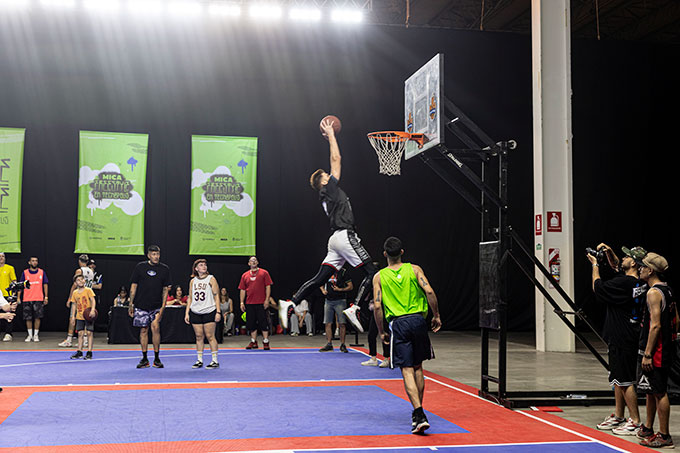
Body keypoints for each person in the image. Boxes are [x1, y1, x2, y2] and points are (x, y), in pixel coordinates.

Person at [289, 118, 376, 334]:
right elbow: (336, 159)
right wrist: (332, 136)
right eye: (327, 175)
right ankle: (355, 307)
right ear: (324, 181)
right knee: (372, 273)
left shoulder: (327, 195)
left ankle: (292, 302)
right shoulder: (329, 189)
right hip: (345, 236)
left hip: (335, 240)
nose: (330, 175)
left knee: (320, 278)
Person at [373, 236, 441, 434]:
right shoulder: (414, 269)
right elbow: (429, 291)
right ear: (402, 252)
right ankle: (417, 412)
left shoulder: (379, 276)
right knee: (418, 366)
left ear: (385, 254)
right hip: (418, 321)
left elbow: (377, 305)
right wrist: (436, 315)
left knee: (407, 369)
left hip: (399, 323)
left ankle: (419, 412)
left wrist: (381, 331)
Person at [588, 244, 646, 435]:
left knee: (625, 379)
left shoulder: (623, 284)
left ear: (635, 264)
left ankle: (635, 420)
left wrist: (595, 265)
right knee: (617, 378)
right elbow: (618, 269)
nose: (623, 258)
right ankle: (619, 415)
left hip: (621, 336)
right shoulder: (639, 283)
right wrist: (610, 253)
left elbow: (597, 287)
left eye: (627, 257)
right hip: (628, 333)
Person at [636, 252, 676, 448]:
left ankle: (665, 435)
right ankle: (649, 428)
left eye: (642, 267)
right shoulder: (667, 290)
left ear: (650, 270)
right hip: (665, 347)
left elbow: (656, 325)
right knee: (650, 391)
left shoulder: (653, 293)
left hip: (657, 350)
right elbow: (677, 320)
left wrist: (648, 353)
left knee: (660, 392)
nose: (639, 269)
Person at [128, 245, 172, 369]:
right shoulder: (140, 267)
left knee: (156, 328)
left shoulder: (165, 269)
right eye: (153, 254)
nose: (156, 257)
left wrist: (163, 307)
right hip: (141, 305)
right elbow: (134, 286)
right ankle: (144, 358)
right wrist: (131, 304)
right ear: (148, 255)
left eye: (157, 254)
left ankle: (157, 358)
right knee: (143, 330)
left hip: (156, 306)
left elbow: (165, 290)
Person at [185, 259, 221, 369]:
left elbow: (216, 295)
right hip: (196, 311)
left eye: (205, 264)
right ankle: (199, 360)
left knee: (210, 336)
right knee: (199, 336)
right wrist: (187, 313)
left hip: (209, 310)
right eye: (201, 265)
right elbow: (190, 298)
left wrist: (218, 311)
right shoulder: (193, 281)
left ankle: (214, 360)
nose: (204, 266)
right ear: (196, 268)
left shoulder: (211, 279)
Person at [238, 256, 273, 350]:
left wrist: (266, 300)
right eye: (251, 261)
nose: (253, 262)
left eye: (255, 260)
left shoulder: (264, 273)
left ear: (257, 262)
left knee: (263, 322)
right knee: (251, 323)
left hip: (261, 302)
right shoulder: (245, 275)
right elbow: (242, 290)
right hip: (249, 303)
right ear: (248, 263)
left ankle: (265, 341)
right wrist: (242, 302)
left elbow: (268, 287)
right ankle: (253, 341)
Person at [59, 254, 94, 347]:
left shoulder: (79, 271)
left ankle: (69, 340)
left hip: (80, 296)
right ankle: (85, 340)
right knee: (86, 318)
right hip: (88, 297)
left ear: (79, 261)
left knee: (73, 317)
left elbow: (75, 285)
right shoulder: (91, 271)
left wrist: (70, 298)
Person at [319, 267, 352, 352]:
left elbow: (350, 287)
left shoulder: (343, 272)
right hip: (328, 300)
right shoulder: (327, 271)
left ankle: (342, 344)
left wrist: (340, 289)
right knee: (327, 323)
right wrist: (322, 290)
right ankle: (329, 344)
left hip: (340, 301)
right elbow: (320, 282)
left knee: (342, 323)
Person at [18, 256, 49, 343]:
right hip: (27, 298)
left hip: (38, 298)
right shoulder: (25, 273)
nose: (34, 262)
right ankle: (30, 335)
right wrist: (18, 297)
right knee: (28, 318)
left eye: (36, 261)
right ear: (29, 262)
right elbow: (21, 285)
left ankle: (35, 335)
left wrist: (46, 297)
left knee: (37, 317)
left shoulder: (41, 272)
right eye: (33, 261)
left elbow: (45, 284)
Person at [68, 274, 96, 360]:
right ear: (75, 283)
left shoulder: (88, 290)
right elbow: (74, 304)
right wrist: (73, 316)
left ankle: (89, 352)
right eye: (78, 280)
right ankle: (79, 351)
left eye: (82, 279)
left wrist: (92, 310)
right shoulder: (75, 293)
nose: (80, 281)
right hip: (79, 316)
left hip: (88, 315)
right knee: (80, 333)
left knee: (89, 333)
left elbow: (93, 300)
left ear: (84, 280)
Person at [363, 297, 391, 367]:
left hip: (386, 310)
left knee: (385, 334)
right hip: (376, 311)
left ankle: (387, 359)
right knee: (371, 334)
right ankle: (373, 358)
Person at [0, 252, 17, 342]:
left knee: (9, 316)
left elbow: (14, 282)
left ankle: (8, 334)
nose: (1, 258)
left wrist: (14, 296)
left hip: (7, 296)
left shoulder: (10, 268)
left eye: (3, 256)